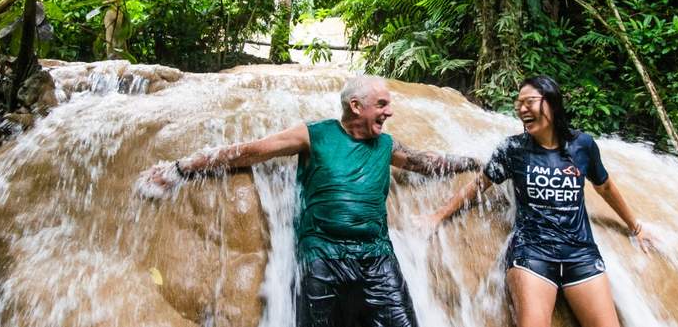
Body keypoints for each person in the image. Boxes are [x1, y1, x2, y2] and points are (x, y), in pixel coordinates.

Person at [137, 75, 477, 327]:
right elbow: (250, 152)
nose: (389, 111)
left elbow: (424, 162)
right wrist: (181, 168)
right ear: (356, 106)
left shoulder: (387, 145)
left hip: (376, 257)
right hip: (321, 257)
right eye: (382, 104)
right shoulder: (313, 134)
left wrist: (473, 160)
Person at [421, 75, 651, 327]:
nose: (521, 109)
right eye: (518, 103)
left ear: (552, 103)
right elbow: (478, 185)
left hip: (580, 253)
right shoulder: (512, 149)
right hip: (532, 253)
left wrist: (635, 227)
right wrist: (437, 216)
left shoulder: (582, 145)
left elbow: (604, 186)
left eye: (529, 101)